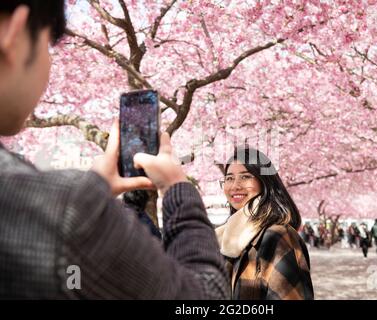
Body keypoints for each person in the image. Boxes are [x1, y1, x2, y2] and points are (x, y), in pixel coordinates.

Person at [0, 1, 229, 299]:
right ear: (15, 34)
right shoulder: (62, 208)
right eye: (47, 43)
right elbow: (204, 299)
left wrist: (92, 190)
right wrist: (178, 190)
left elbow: (72, 281)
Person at [215, 146, 314, 300]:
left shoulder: (277, 236)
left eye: (245, 176)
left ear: (264, 181)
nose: (235, 186)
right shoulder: (224, 238)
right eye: (229, 178)